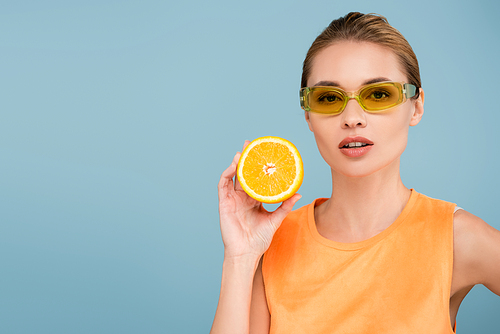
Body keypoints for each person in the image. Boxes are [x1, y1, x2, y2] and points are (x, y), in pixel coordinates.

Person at [210, 12, 500, 334]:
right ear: (308, 116)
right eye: (329, 98)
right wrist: (240, 257)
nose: (352, 118)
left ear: (415, 107)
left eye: (378, 94)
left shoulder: (457, 238)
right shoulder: (273, 241)